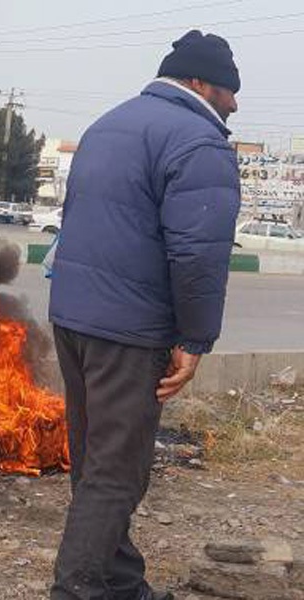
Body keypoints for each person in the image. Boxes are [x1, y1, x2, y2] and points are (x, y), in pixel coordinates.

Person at [48, 30, 242, 600]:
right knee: (116, 471)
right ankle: (76, 591)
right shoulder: (197, 142)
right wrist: (194, 338)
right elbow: (198, 254)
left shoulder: (109, 124)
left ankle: (121, 585)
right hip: (127, 332)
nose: (234, 103)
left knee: (96, 463)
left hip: (74, 321)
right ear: (200, 82)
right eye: (230, 90)